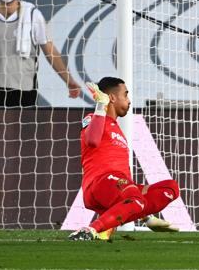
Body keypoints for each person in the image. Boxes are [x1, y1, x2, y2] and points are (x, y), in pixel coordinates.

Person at [69, 77, 179, 241]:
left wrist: (145, 216)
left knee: (171, 188)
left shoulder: (117, 129)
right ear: (112, 98)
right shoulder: (94, 118)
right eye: (125, 95)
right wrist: (101, 105)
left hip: (116, 185)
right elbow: (92, 141)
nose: (129, 101)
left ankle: (118, 223)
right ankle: (90, 230)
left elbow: (124, 179)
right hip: (100, 184)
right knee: (135, 199)